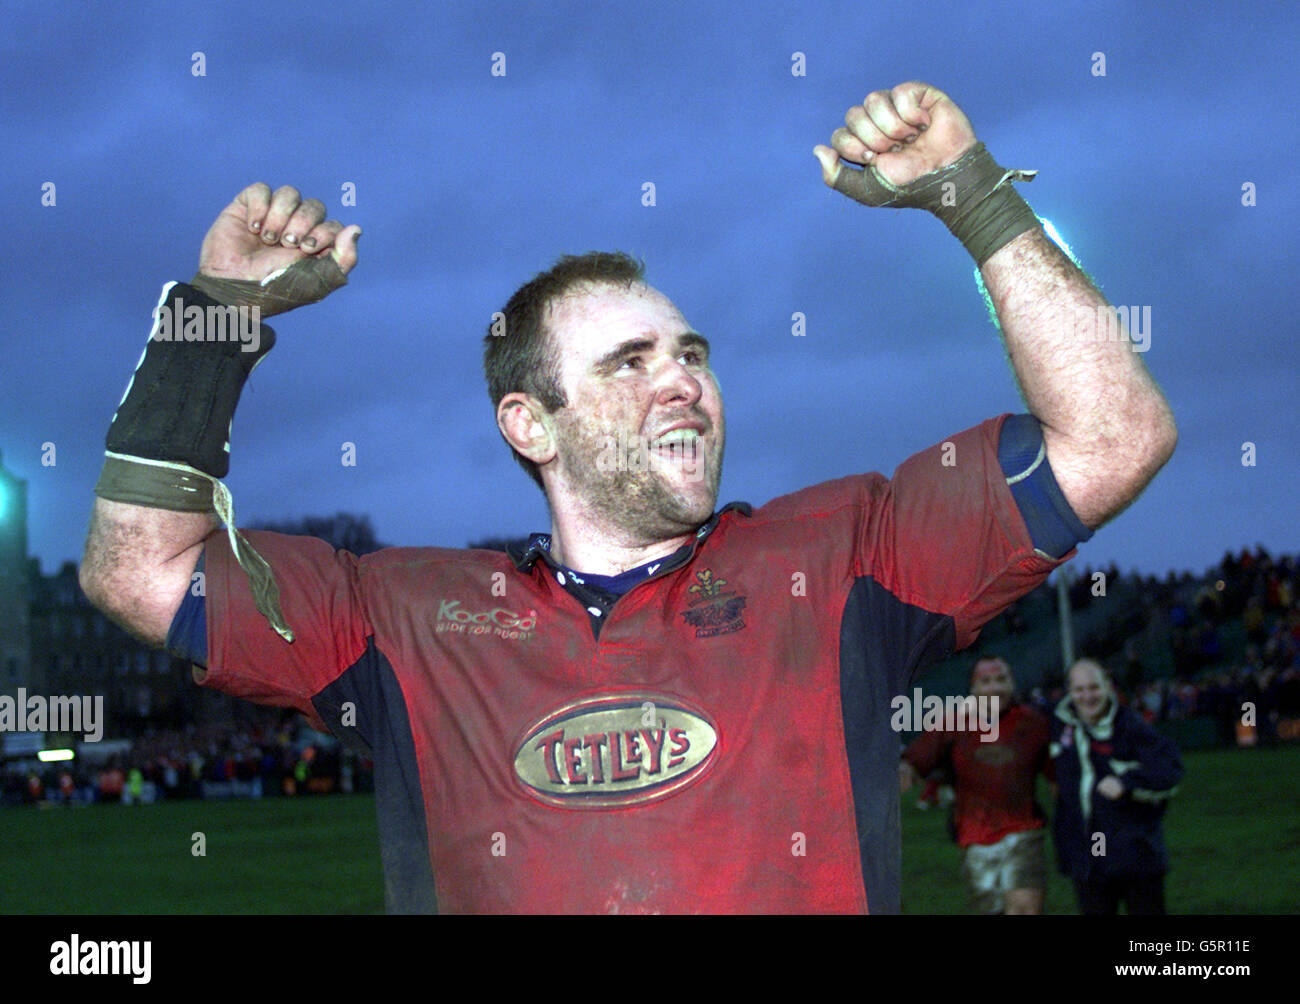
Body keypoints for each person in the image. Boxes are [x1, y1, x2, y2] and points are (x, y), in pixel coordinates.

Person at [79, 81, 1177, 913]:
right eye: (629, 360)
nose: (684, 377)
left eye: (691, 351)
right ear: (529, 424)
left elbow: (1114, 435)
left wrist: (969, 193)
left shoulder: (842, 557)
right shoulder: (406, 619)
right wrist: (218, 313)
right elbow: (140, 566)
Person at [900, 656, 1052, 914]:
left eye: (1001, 679)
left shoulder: (1033, 723)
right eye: (986, 681)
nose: (995, 688)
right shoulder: (953, 723)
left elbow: (1059, 776)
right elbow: (913, 761)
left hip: (1024, 831)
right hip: (975, 837)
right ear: (973, 688)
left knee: (1024, 909)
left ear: (1012, 683)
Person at [1051, 658, 1183, 915]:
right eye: (1079, 689)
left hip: (1136, 858)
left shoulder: (1130, 726)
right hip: (1088, 860)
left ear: (1108, 687)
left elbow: (1170, 769)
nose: (1087, 696)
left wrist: (1126, 782)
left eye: (1094, 687)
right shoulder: (1059, 723)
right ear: (1069, 692)